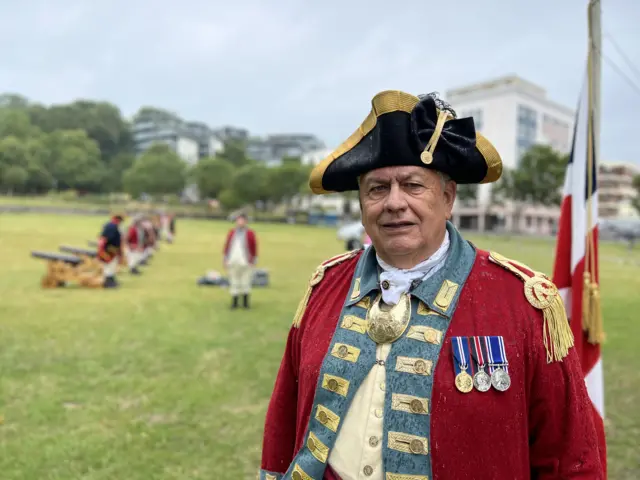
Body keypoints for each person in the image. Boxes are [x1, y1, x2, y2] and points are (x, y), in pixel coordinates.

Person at [259, 90, 604, 480]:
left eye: (412, 185)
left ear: (448, 196)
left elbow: (570, 457)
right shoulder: (325, 285)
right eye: (377, 188)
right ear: (361, 203)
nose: (394, 202)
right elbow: (284, 420)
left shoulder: (523, 303)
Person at [223, 212, 258, 309]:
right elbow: (227, 246)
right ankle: (234, 302)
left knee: (245, 281)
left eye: (242, 220)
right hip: (233, 260)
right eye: (238, 220)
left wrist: (254, 259)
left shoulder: (250, 233)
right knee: (234, 281)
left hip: (245, 261)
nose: (240, 222)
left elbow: (254, 247)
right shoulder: (232, 233)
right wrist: (225, 258)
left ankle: (245, 303)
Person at [97, 211, 125, 288]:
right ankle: (108, 282)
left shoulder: (113, 225)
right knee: (109, 265)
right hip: (109, 249)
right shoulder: (111, 226)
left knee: (112, 265)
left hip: (112, 249)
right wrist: (101, 250)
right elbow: (104, 239)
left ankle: (111, 280)